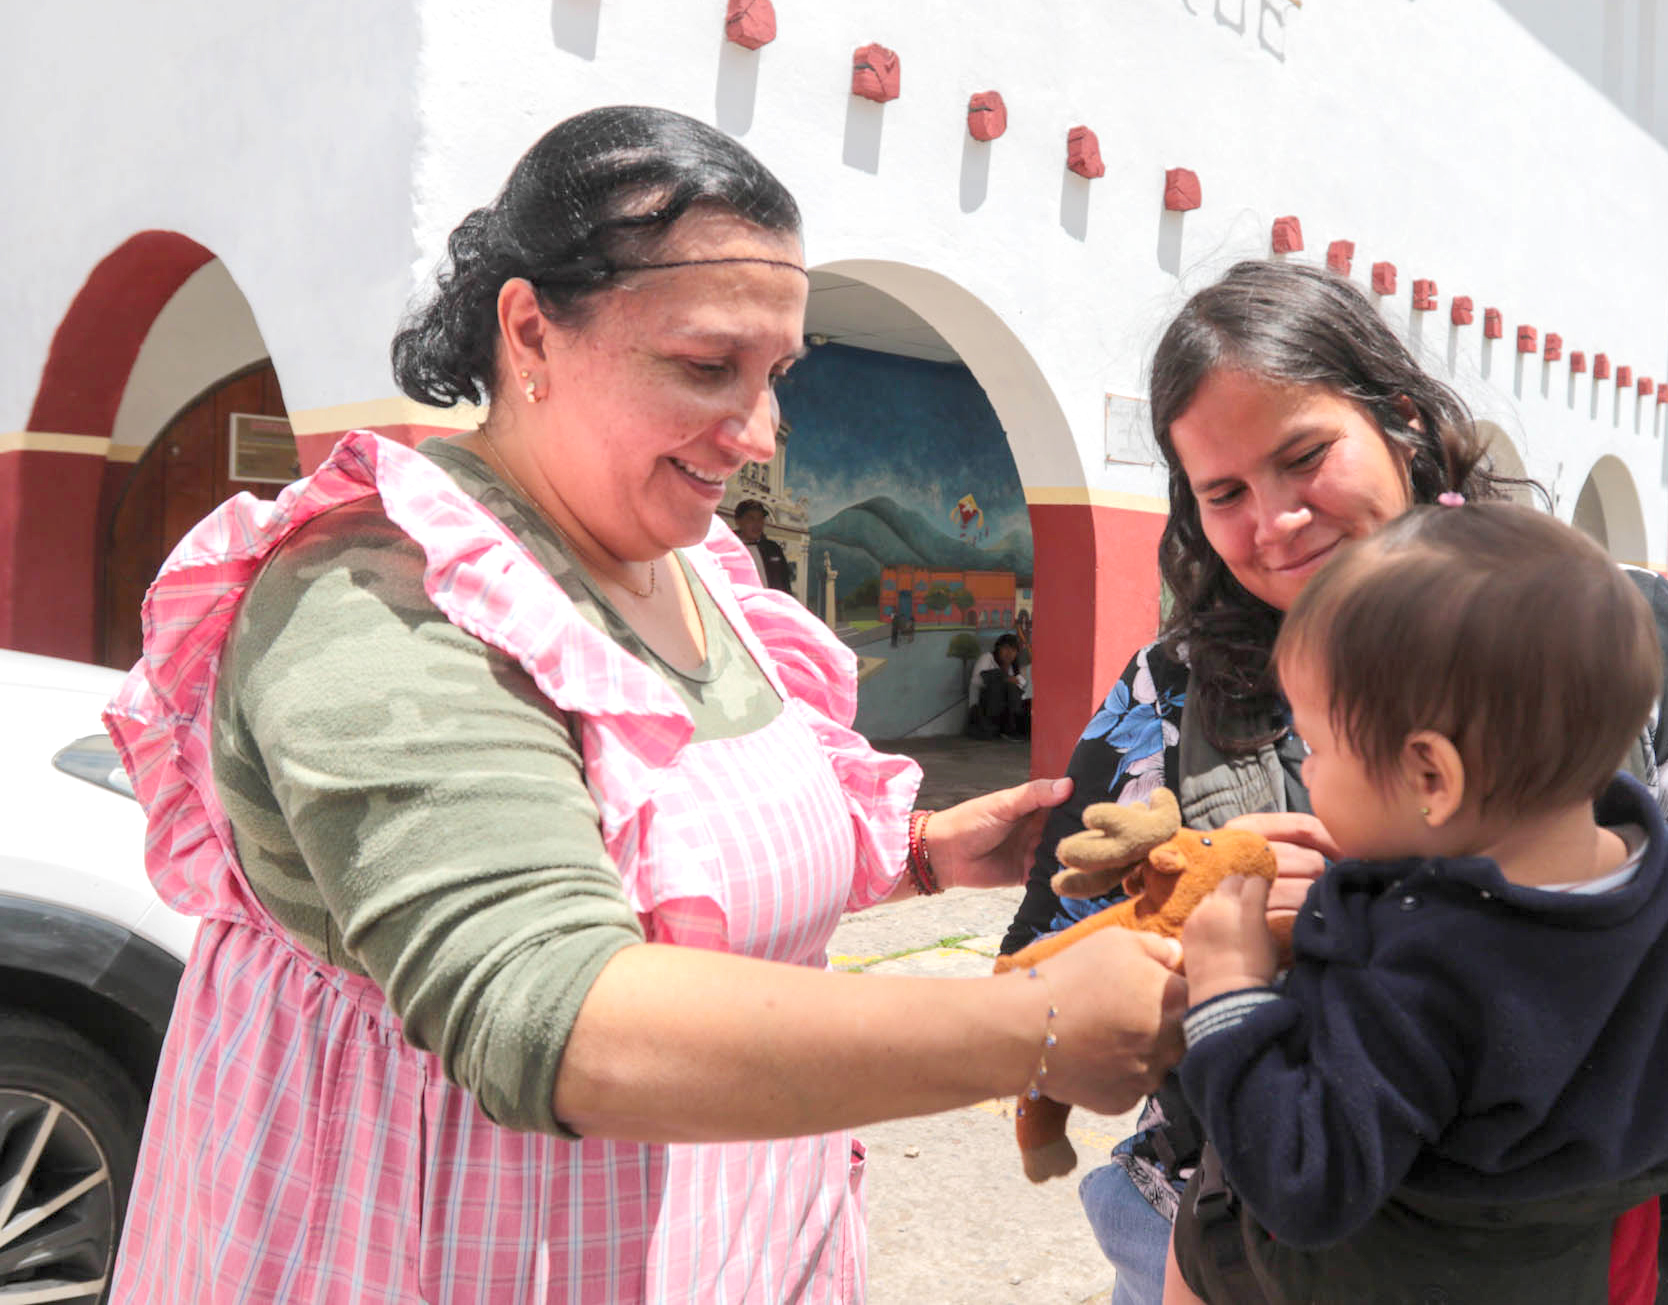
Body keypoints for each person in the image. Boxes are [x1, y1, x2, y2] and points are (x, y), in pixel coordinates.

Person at [102, 106, 1186, 1304]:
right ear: (531, 329)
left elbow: (654, 857)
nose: (759, 434)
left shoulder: (695, 566)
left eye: (775, 376)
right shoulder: (380, 595)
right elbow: (549, 1013)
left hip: (740, 1242)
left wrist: (926, 855)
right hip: (441, 1248)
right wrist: (1032, 1028)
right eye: (706, 366)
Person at [1000, 259, 1668, 1305]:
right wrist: (1198, 950)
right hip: (1234, 1246)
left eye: (1304, 457)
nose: (1273, 521)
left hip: (1607, 1258)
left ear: (1401, 422)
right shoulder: (1172, 688)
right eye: (1223, 493)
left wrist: (1512, 943)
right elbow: (1043, 992)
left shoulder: (1604, 629)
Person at [1162, 502, 1668, 1303]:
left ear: (1431, 775)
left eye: (1317, 746)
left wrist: (1229, 992)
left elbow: (1304, 1182)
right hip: (1608, 1266)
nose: (1308, 768)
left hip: (1382, 1274)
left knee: (1197, 1244)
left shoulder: (1412, 961)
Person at [968, 631, 1031, 741]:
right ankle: (1007, 729)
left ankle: (1014, 728)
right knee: (1004, 683)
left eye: (1013, 650)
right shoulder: (987, 658)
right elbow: (976, 681)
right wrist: (1004, 678)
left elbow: (1022, 688)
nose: (1009, 653)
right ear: (998, 649)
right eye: (1006, 648)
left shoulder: (1014, 668)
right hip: (981, 712)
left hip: (1004, 712)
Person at [733, 495, 796, 593]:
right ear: (738, 521)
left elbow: (785, 584)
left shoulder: (773, 549)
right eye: (751, 518)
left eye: (760, 519)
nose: (757, 524)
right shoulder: (728, 550)